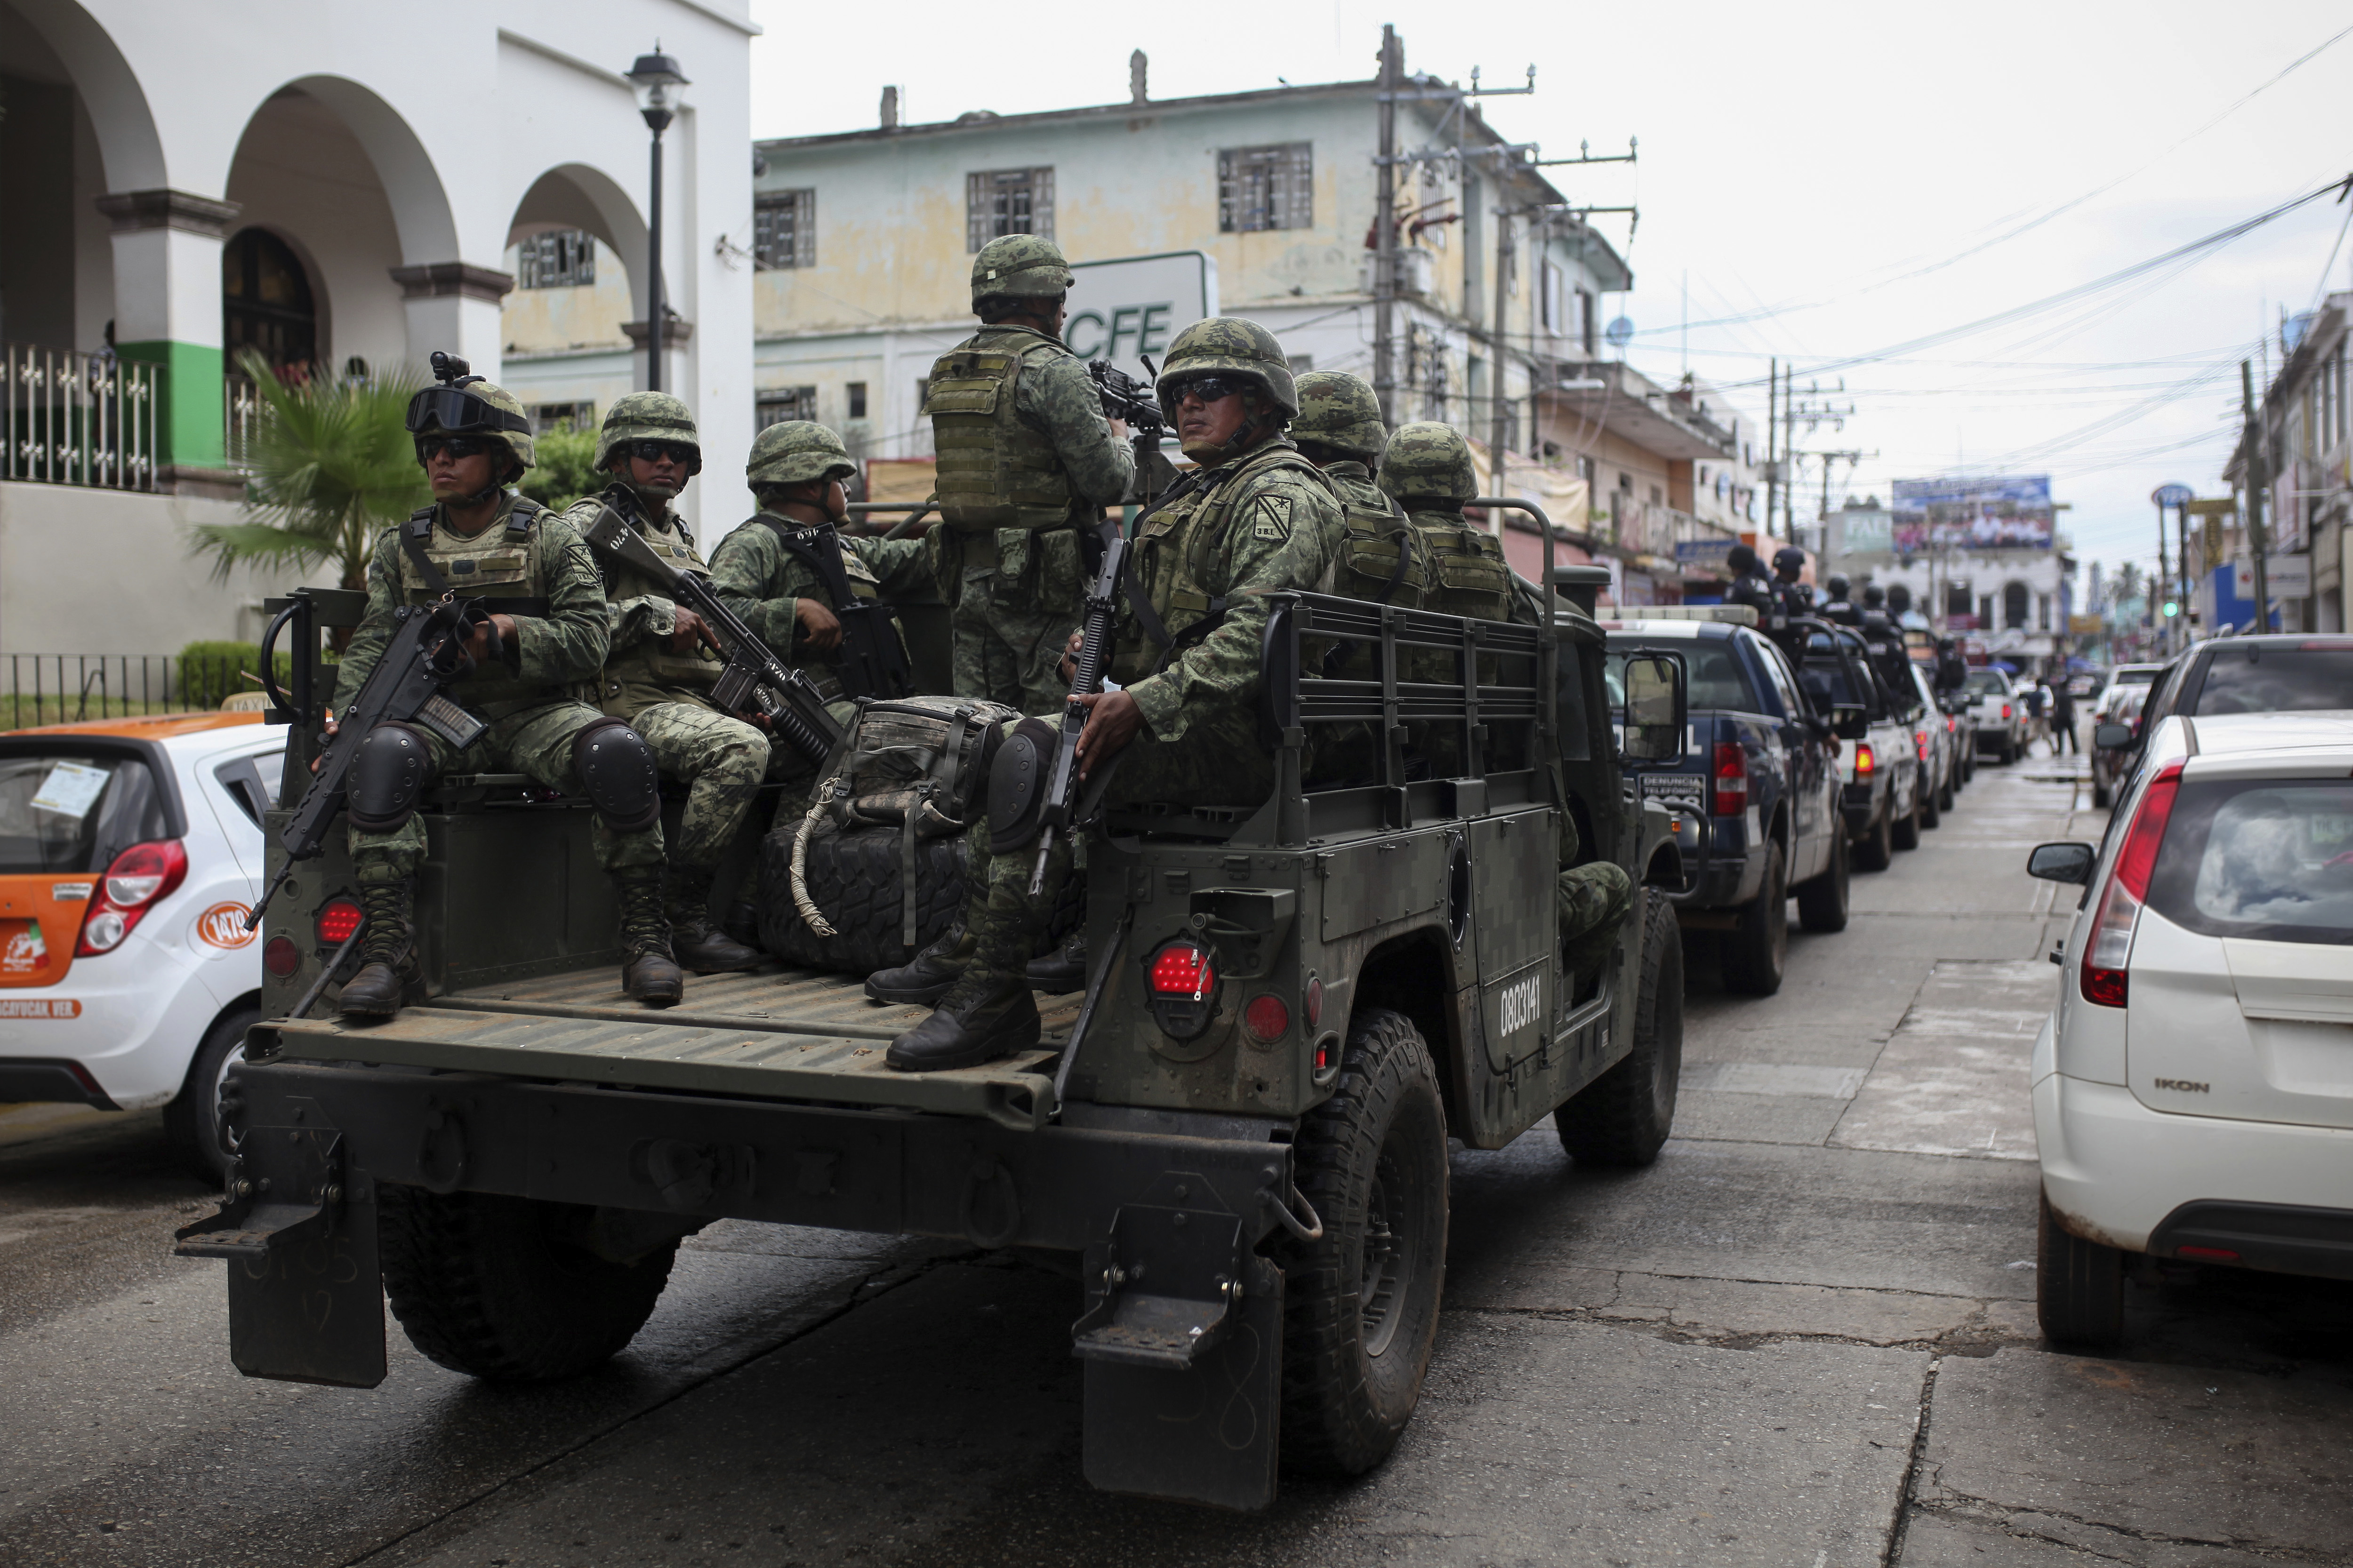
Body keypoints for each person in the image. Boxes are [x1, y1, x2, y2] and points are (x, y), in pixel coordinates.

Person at [875, 317, 1339, 1072]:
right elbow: (1166, 621)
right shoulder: (1206, 491)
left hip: (1242, 739)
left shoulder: (1276, 497)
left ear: (1260, 405)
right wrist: (1093, 658)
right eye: (1180, 391)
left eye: (1212, 390)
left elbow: (1255, 640)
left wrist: (1142, 703)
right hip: (1187, 720)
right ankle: (981, 955)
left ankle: (991, 993)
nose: (1189, 405)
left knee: (1034, 754)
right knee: (998, 743)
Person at [331, 365, 681, 1014]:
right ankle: (390, 954)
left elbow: (589, 638)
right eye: (432, 449)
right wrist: (343, 717)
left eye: (458, 449)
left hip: (534, 712)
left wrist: (511, 633)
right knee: (379, 754)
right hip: (441, 714)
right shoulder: (402, 548)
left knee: (619, 752)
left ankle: (644, 939)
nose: (441, 460)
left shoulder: (550, 537)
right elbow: (375, 643)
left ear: (501, 458)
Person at [556, 394, 773, 974]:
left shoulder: (677, 534)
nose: (666, 463)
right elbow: (559, 626)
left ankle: (760, 907)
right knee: (740, 749)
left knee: (803, 754)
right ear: (617, 458)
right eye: (650, 450)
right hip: (620, 704)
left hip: (683, 699)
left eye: (679, 453)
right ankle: (684, 915)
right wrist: (651, 613)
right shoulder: (584, 527)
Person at [925, 233, 1134, 717]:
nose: (1063, 310)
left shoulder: (949, 368)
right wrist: (1119, 438)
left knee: (974, 730)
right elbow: (1107, 483)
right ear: (1042, 298)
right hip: (1042, 591)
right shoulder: (1055, 369)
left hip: (970, 583)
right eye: (1060, 296)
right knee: (1052, 732)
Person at [2051, 668, 2079, 755]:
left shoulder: (2058, 695)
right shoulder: (2068, 695)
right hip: (2068, 716)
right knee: (2072, 735)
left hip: (2060, 716)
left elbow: (2054, 707)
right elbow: (2072, 706)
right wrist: (2075, 716)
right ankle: (2075, 749)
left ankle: (2060, 750)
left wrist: (2054, 716)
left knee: (2060, 736)